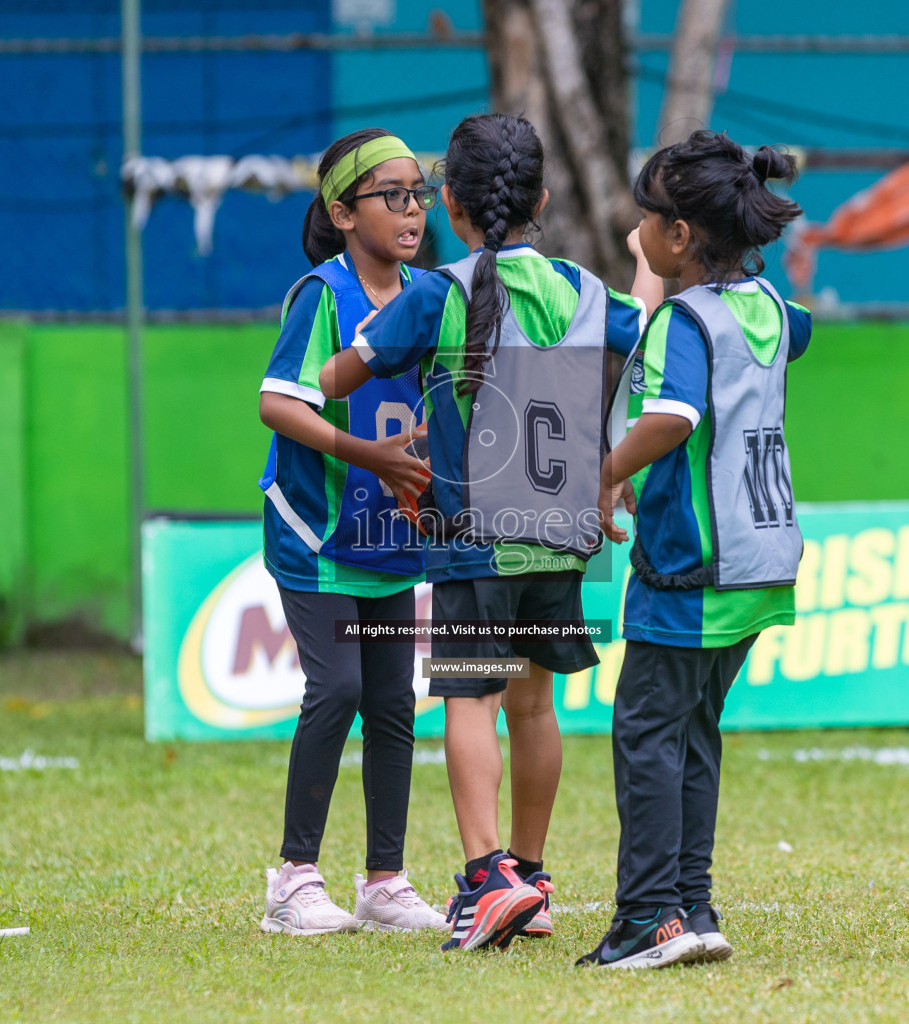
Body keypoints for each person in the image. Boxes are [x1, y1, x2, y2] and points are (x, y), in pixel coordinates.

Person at [320, 113, 654, 952]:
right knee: (537, 706)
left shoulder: (436, 290)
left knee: (469, 698)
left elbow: (337, 375)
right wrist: (646, 267)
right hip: (562, 533)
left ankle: (484, 879)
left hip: (479, 537)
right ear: (540, 198)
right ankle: (532, 879)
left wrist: (341, 354)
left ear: (452, 207)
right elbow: (641, 324)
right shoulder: (582, 289)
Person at [577, 131, 810, 969]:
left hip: (692, 566)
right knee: (693, 733)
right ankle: (693, 906)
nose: (635, 231)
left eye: (646, 219)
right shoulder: (774, 311)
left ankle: (647, 917)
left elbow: (670, 418)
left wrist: (601, 476)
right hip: (763, 561)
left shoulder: (684, 320)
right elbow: (793, 333)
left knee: (645, 732)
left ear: (679, 235)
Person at [256, 129, 448, 935]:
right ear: (342, 211)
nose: (412, 210)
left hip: (388, 534)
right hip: (317, 533)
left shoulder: (431, 292)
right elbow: (278, 402)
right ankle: (293, 879)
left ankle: (384, 881)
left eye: (420, 194)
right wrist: (365, 452)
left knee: (393, 704)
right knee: (334, 689)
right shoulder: (321, 295)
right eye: (391, 195)